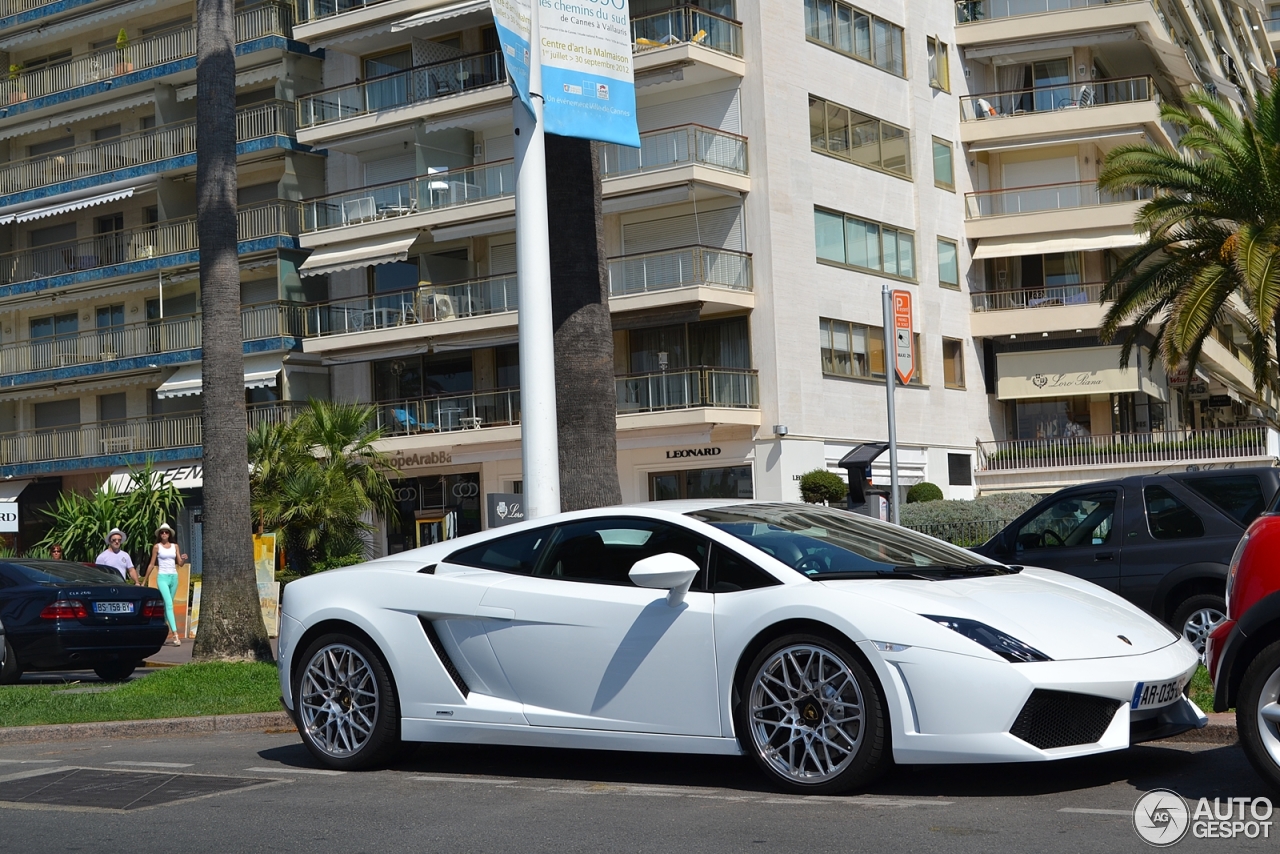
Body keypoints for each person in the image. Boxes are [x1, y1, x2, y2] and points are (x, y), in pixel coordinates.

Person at [144, 523, 187, 647]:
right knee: (168, 604)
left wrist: (183, 558)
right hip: (162, 577)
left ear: (169, 534)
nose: (164, 534)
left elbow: (180, 563)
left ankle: (159, 633)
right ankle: (175, 634)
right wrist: (144, 580)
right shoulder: (157, 547)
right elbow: (152, 564)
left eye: (166, 532)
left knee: (167, 607)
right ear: (159, 534)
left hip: (174, 577)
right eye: (162, 532)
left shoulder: (175, 546)